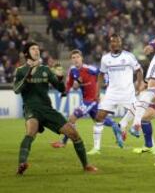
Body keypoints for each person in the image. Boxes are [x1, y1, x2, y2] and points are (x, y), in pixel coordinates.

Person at [13, 42, 97, 174]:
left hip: (47, 110)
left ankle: (86, 165)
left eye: (37, 49)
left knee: (74, 134)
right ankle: (21, 165)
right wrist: (26, 77)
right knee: (30, 133)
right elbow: (17, 90)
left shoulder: (45, 70)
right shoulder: (20, 71)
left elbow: (61, 89)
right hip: (31, 109)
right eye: (33, 49)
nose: (37, 51)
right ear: (26, 53)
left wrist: (60, 78)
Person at [87, 34, 145, 155]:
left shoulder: (129, 56)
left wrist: (139, 84)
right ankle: (96, 148)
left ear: (121, 43)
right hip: (111, 93)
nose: (116, 44)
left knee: (139, 110)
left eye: (118, 41)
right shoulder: (105, 58)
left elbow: (139, 70)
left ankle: (125, 126)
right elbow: (101, 75)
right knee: (99, 117)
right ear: (110, 44)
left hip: (127, 92)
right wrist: (97, 92)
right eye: (113, 42)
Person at [51, 49, 118, 148]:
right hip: (86, 99)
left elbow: (103, 73)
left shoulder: (89, 69)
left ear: (81, 58)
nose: (76, 59)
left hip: (91, 100)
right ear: (71, 60)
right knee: (98, 119)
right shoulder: (72, 70)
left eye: (78, 57)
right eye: (73, 58)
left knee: (72, 118)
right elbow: (69, 85)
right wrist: (65, 92)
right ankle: (115, 126)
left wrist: (108, 84)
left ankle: (63, 142)